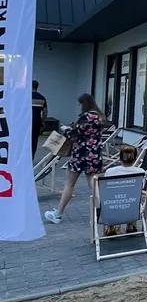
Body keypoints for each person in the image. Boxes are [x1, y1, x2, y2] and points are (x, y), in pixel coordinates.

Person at [44, 94, 108, 224]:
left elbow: (75, 134)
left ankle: (58, 213)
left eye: (80, 104)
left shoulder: (85, 117)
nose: (79, 106)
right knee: (94, 184)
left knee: (69, 184)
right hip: (94, 154)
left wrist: (65, 129)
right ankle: (103, 211)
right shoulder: (99, 116)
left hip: (80, 154)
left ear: (84, 104)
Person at [103, 145, 145, 235]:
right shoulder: (141, 172)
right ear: (135, 158)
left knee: (111, 198)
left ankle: (111, 227)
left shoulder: (110, 172)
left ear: (120, 158)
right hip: (133, 208)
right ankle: (130, 225)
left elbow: (107, 191)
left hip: (112, 208)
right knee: (131, 197)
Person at [32, 80, 47, 158]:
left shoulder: (25, 97)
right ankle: (32, 156)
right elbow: (45, 112)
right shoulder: (42, 98)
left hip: (26, 122)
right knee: (34, 139)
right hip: (37, 121)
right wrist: (43, 122)